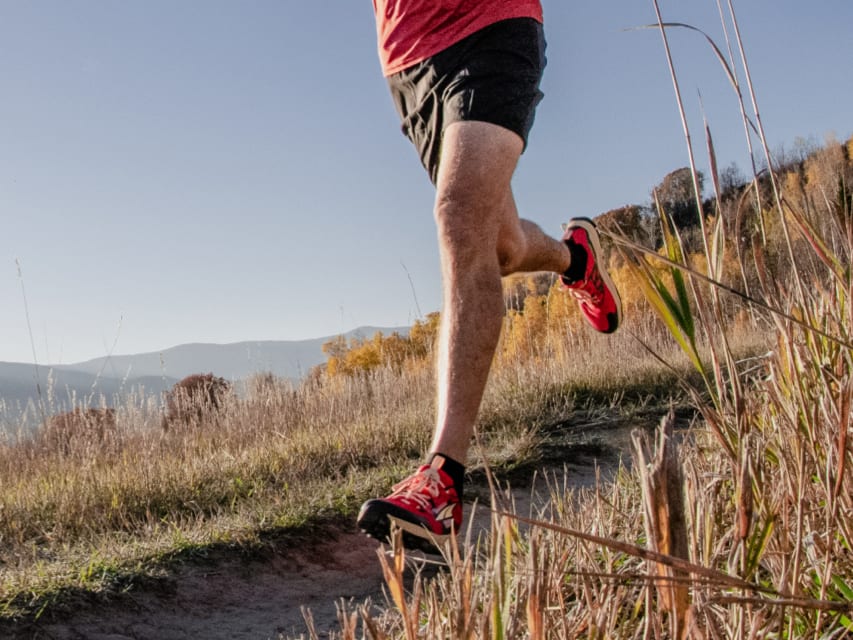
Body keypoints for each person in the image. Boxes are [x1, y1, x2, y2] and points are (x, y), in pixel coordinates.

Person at [356, 0, 623, 554]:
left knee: (458, 216)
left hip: (489, 24)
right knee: (499, 246)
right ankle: (575, 260)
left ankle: (442, 480)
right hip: (407, 58)